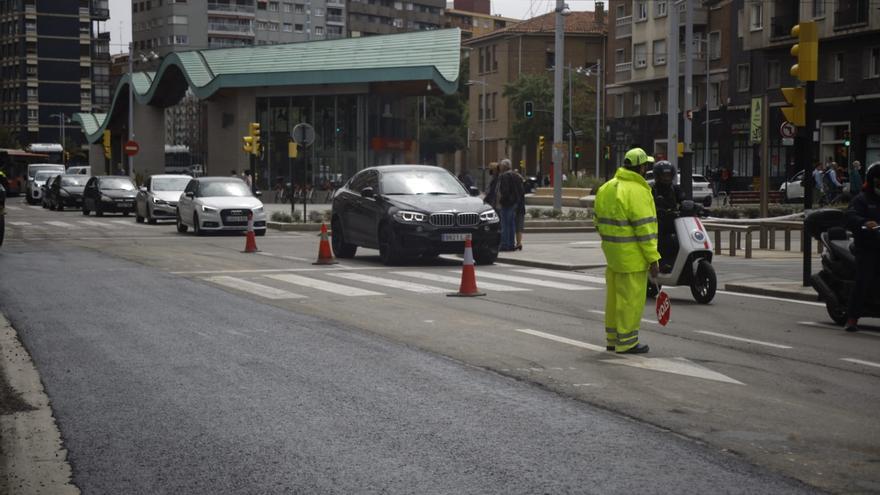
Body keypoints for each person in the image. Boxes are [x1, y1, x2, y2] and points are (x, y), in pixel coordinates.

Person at [593, 147, 661, 354]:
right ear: (641, 167)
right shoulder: (638, 191)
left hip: (613, 256)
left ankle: (613, 339)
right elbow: (645, 230)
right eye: (646, 166)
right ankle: (628, 342)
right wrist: (653, 259)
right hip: (633, 258)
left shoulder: (606, 188)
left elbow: (597, 222)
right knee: (630, 301)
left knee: (613, 301)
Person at [843, 162, 880, 332]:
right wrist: (864, 223)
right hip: (867, 247)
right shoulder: (862, 199)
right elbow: (851, 216)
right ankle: (852, 318)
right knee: (863, 279)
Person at [651, 160, 685, 272]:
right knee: (662, 238)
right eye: (664, 175)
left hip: (675, 221)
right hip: (659, 222)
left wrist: (691, 206)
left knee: (684, 236)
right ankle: (662, 262)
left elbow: (684, 200)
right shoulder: (652, 190)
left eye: (669, 175)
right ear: (658, 176)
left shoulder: (675, 189)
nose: (666, 178)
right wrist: (656, 210)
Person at [497, 159, 523, 251]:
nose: (499, 167)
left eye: (501, 165)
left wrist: (502, 200)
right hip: (514, 203)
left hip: (507, 203)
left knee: (505, 224)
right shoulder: (515, 175)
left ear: (504, 166)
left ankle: (505, 244)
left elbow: (505, 191)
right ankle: (511, 244)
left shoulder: (504, 176)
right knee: (511, 224)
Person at [512, 165, 527, 250]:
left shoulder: (516, 187)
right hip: (521, 208)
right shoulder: (522, 185)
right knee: (519, 227)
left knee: (515, 226)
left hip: (517, 208)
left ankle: (517, 243)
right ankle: (519, 243)